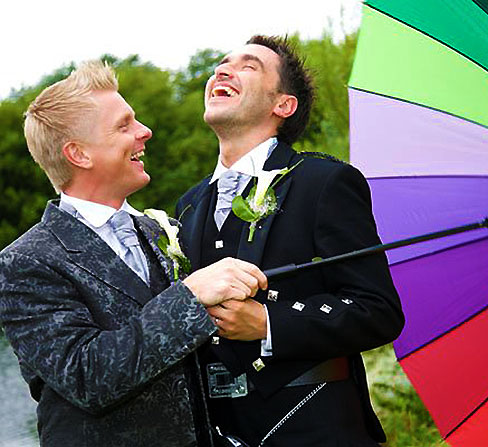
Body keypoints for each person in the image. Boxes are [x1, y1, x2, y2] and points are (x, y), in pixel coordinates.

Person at [0, 61, 267, 447]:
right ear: (79, 154)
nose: (145, 132)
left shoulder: (163, 231)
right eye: (124, 125)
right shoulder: (25, 262)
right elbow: (87, 376)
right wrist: (190, 297)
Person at [176, 35, 405, 446]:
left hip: (317, 429)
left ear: (283, 105)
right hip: (221, 434)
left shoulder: (324, 182)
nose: (222, 71)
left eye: (249, 66)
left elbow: (379, 310)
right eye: (222, 64)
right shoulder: (188, 206)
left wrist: (268, 324)